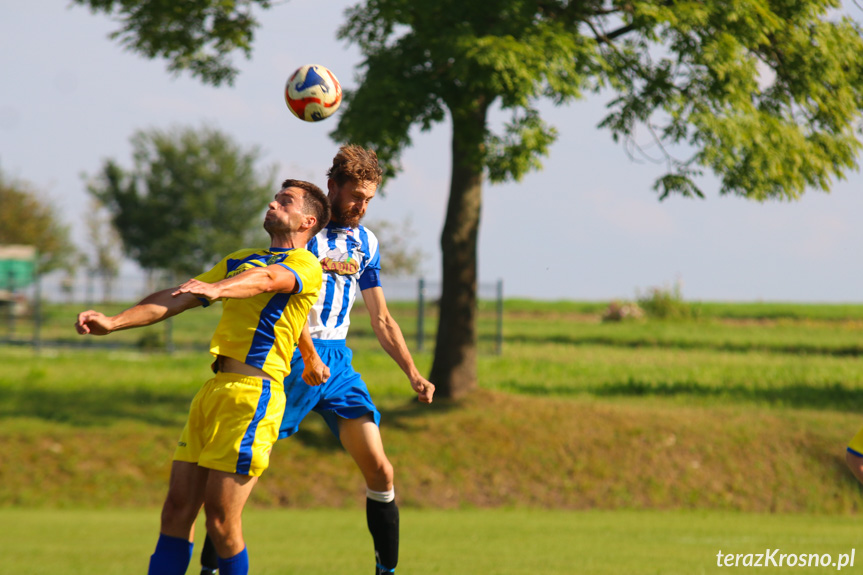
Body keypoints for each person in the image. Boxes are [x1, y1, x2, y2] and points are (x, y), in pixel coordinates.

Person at [199, 145, 435, 575]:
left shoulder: (366, 243)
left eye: (369, 199)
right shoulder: (304, 236)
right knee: (237, 485)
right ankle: (212, 568)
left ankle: (387, 571)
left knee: (381, 471)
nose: (361, 206)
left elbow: (381, 317)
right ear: (332, 188)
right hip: (291, 362)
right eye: (355, 196)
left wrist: (413, 372)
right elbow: (288, 305)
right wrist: (307, 354)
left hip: (338, 364)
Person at [75, 179, 330, 575]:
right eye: (276, 198)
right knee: (176, 511)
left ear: (307, 221)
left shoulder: (305, 265)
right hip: (214, 390)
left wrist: (218, 288)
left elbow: (267, 281)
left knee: (221, 521)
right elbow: (178, 296)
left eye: (285, 201)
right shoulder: (241, 258)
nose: (273, 203)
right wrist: (113, 321)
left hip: (255, 395)